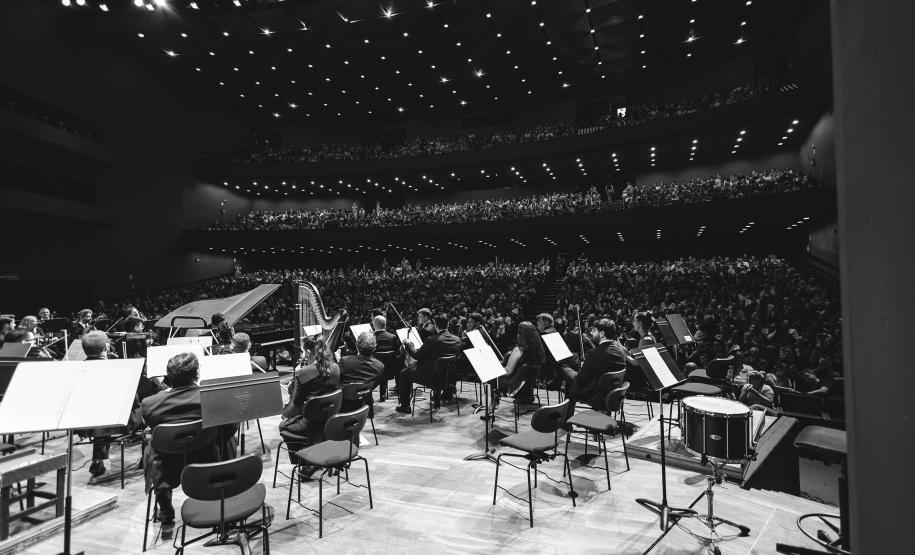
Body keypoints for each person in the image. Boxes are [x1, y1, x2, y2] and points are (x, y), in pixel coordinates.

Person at [141, 352, 236, 524]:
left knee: (150, 442)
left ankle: (165, 509)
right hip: (207, 459)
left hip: (167, 465)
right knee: (226, 436)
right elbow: (230, 431)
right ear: (197, 374)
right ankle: (221, 496)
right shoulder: (212, 398)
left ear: (168, 376)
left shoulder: (149, 403)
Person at [279, 336, 340, 468]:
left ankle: (305, 462)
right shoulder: (336, 367)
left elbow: (295, 406)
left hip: (310, 422)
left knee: (283, 426)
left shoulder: (303, 373)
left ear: (307, 352)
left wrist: (284, 415)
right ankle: (316, 448)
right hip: (330, 419)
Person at [559, 319, 632, 418]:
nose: (592, 333)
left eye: (594, 330)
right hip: (611, 394)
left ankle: (565, 423)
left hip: (595, 395)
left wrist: (583, 367)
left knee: (565, 369)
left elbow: (580, 380)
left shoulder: (594, 353)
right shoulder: (619, 351)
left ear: (601, 333)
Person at [396, 312, 462, 414]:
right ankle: (436, 397)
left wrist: (408, 343)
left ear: (435, 325)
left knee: (403, 374)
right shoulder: (457, 340)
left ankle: (405, 406)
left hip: (432, 377)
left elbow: (416, 356)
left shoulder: (432, 340)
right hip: (449, 379)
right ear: (448, 324)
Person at [498, 321, 546, 400]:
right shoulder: (539, 349)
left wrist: (496, 370)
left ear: (521, 335)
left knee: (493, 377)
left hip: (515, 385)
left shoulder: (519, 349)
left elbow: (508, 371)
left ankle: (493, 402)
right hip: (528, 385)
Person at [339, 331, 385, 410]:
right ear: (374, 347)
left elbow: (338, 380)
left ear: (357, 345)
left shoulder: (345, 361)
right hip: (365, 404)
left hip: (344, 404)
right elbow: (373, 385)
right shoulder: (380, 366)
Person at [371, 315, 402, 401]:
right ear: (385, 325)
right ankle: (384, 394)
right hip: (391, 370)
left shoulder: (371, 338)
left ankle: (369, 394)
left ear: (374, 325)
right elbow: (397, 353)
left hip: (375, 371)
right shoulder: (393, 337)